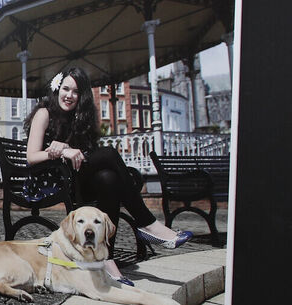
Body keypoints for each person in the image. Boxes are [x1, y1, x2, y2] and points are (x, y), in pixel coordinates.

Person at [24, 66, 192, 284]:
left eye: (76, 92)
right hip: (50, 181)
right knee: (110, 154)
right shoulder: (44, 113)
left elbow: (82, 155)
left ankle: (105, 257)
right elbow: (31, 157)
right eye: (66, 89)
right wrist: (60, 150)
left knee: (108, 179)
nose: (69, 95)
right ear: (57, 88)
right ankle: (147, 224)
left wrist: (68, 148)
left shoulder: (78, 119)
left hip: (73, 178)